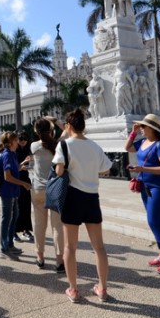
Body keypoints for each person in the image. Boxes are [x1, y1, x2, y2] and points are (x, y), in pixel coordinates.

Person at [53, 108, 111, 303]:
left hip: (72, 197)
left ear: (68, 126)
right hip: (91, 198)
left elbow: (59, 172)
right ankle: (102, 288)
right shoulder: (95, 146)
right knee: (99, 247)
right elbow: (106, 169)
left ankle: (74, 289)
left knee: (70, 247)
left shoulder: (64, 145)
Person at [125, 114, 160, 274]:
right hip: (145, 186)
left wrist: (142, 169)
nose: (141, 129)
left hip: (159, 186)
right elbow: (127, 148)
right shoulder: (143, 142)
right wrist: (133, 132)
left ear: (151, 128)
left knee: (156, 220)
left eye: (143, 126)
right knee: (154, 220)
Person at [30, 117, 65, 272]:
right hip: (54, 188)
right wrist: (55, 120)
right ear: (50, 130)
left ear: (36, 131)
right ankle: (59, 260)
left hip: (37, 188)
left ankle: (40, 257)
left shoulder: (33, 146)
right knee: (57, 226)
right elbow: (67, 130)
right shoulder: (57, 145)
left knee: (39, 224)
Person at [0, 131, 32, 259]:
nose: (18, 142)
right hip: (7, 191)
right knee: (7, 218)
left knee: (14, 216)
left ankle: (10, 244)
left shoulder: (12, 154)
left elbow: (13, 169)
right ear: (11, 142)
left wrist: (21, 165)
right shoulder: (7, 154)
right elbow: (7, 177)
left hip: (12, 191)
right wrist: (23, 183)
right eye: (16, 140)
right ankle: (3, 248)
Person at [14, 132, 34, 243]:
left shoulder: (27, 150)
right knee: (17, 207)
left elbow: (30, 165)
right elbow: (13, 168)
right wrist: (22, 165)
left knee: (26, 206)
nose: (22, 141)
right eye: (21, 139)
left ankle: (26, 229)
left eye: (25, 139)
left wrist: (30, 165)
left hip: (25, 179)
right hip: (16, 180)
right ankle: (14, 231)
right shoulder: (14, 151)